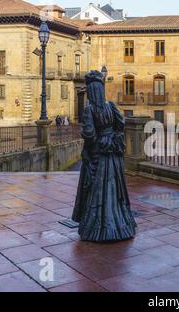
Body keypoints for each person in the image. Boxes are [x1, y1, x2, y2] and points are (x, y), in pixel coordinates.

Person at [72, 70, 136, 242]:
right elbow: (120, 125)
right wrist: (111, 138)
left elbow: (89, 134)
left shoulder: (89, 110)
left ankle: (99, 228)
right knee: (115, 189)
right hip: (112, 155)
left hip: (98, 155)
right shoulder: (111, 106)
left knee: (98, 190)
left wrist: (93, 142)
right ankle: (120, 225)